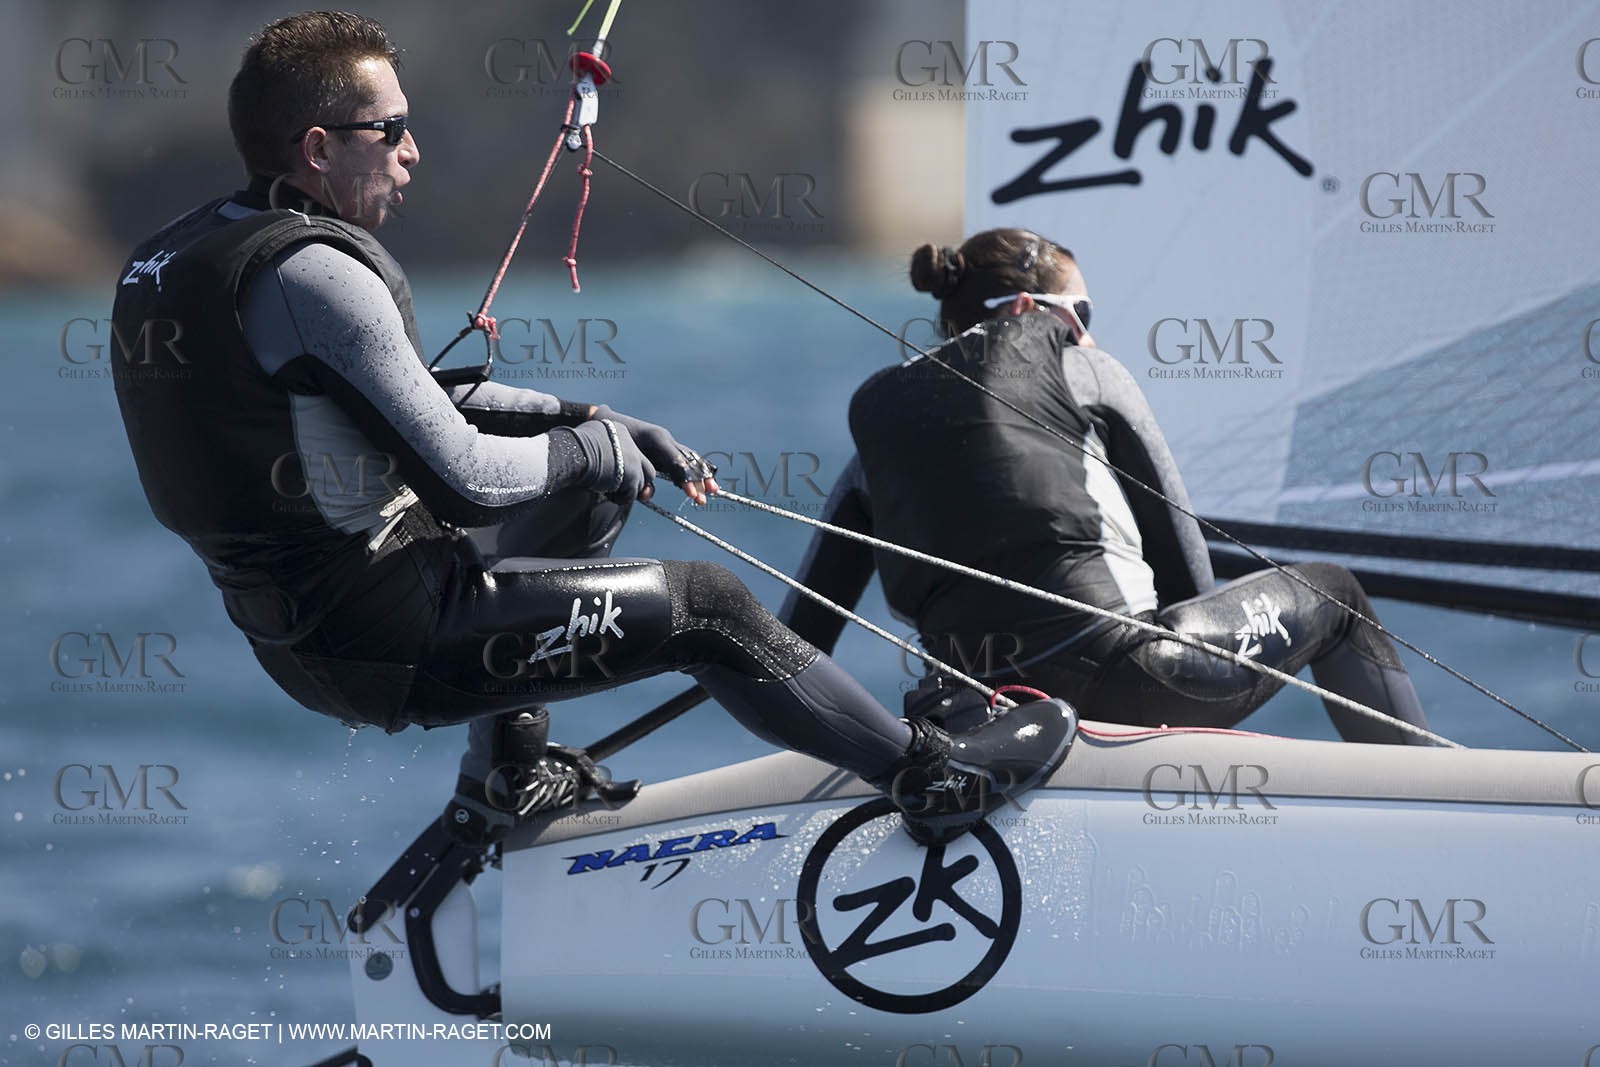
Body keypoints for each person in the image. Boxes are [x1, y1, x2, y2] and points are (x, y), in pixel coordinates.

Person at [108, 13, 1074, 848]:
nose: (413, 151)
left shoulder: (186, 256)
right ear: (319, 150)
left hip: (305, 632)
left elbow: (395, 404)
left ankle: (507, 775)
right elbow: (466, 481)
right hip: (395, 631)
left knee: (592, 477)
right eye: (390, 130)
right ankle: (933, 779)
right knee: (708, 607)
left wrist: (591, 426)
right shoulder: (317, 274)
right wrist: (590, 444)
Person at [780, 228, 1434, 745]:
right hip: (1128, 681)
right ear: (1027, 309)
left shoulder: (878, 431)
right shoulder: (1085, 369)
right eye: (1081, 312)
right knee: (1336, 596)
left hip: (969, 720)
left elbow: (798, 641)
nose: (1088, 332)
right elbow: (1186, 573)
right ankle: (1429, 796)